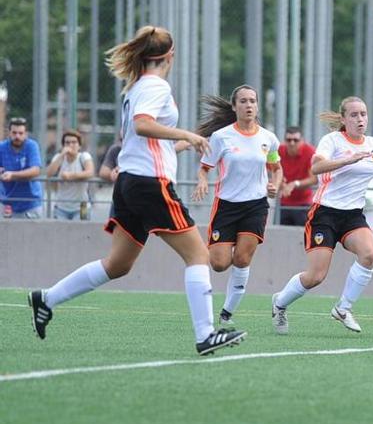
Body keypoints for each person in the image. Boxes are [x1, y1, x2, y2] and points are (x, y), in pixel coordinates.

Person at [27, 25, 246, 355]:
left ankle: (48, 298)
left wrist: (186, 143)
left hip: (131, 182)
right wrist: (185, 134)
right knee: (198, 255)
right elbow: (143, 125)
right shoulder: (155, 86)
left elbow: (146, 140)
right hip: (149, 184)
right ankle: (206, 335)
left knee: (118, 264)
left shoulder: (136, 88)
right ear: (169, 55)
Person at [270, 96, 373, 334]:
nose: (360, 119)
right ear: (343, 119)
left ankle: (343, 308)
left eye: (363, 114)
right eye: (354, 115)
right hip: (325, 213)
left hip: (352, 215)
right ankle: (279, 304)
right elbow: (316, 168)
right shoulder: (332, 140)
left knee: (369, 254)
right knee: (316, 276)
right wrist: (346, 160)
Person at [192, 85, 282, 326]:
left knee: (242, 259)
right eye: (243, 101)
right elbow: (204, 167)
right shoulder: (222, 137)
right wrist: (202, 181)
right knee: (219, 263)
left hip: (256, 205)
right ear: (234, 107)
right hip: (226, 206)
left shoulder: (268, 138)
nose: (249, 105)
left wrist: (274, 185)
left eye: (252, 100)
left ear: (257, 105)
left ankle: (226, 313)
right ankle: (225, 297)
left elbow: (276, 167)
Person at [46, 130, 95, 220]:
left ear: (79, 146)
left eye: (74, 142)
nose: (70, 145)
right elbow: (49, 173)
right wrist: (62, 155)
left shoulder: (84, 156)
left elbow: (90, 172)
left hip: (82, 206)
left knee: (82, 232)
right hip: (61, 206)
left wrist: (70, 176)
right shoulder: (58, 157)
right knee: (60, 232)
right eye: (67, 142)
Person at [1, 117, 43, 218]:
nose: (17, 136)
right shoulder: (1, 147)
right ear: (9, 133)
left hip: (31, 203)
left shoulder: (32, 146)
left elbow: (36, 171)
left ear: (26, 134)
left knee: (32, 234)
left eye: (20, 133)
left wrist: (12, 175)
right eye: (14, 133)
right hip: (7, 203)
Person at [278, 126, 317, 226]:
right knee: (282, 236)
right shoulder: (279, 151)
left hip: (304, 203)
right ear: (284, 140)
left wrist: (295, 184)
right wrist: (280, 181)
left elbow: (314, 179)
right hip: (284, 203)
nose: (292, 143)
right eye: (289, 140)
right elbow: (270, 170)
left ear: (302, 141)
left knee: (303, 237)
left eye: (296, 140)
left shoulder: (310, 152)